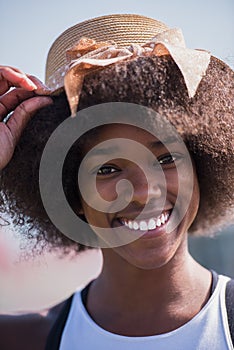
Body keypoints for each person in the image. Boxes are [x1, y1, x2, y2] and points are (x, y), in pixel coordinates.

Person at [0, 14, 234, 350]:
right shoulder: (25, 340)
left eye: (166, 159)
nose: (142, 191)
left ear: (203, 166)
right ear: (70, 192)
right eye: (108, 169)